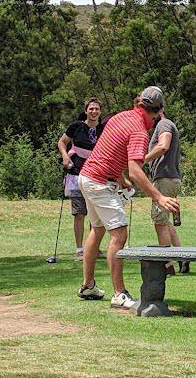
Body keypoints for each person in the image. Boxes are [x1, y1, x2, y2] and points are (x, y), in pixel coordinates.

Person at [78, 86, 180, 312]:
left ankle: (88, 286)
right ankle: (119, 294)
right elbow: (136, 170)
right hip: (99, 183)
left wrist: (119, 177)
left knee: (97, 230)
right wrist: (159, 196)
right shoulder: (139, 132)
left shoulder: (119, 117)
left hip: (87, 177)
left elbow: (109, 150)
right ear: (158, 112)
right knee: (120, 233)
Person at [56, 97, 103, 257]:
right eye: (91, 109)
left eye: (97, 109)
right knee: (79, 213)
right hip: (76, 173)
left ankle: (94, 248)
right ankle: (79, 249)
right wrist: (65, 156)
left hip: (96, 175)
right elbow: (62, 142)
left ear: (100, 112)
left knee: (96, 214)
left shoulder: (103, 129)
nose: (94, 111)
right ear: (86, 111)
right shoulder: (76, 126)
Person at [145, 105, 188, 272]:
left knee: (159, 221)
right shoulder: (166, 124)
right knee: (165, 221)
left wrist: (143, 159)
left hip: (164, 179)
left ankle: (167, 264)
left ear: (160, 111)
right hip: (170, 179)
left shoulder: (163, 124)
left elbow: (163, 146)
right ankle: (182, 258)